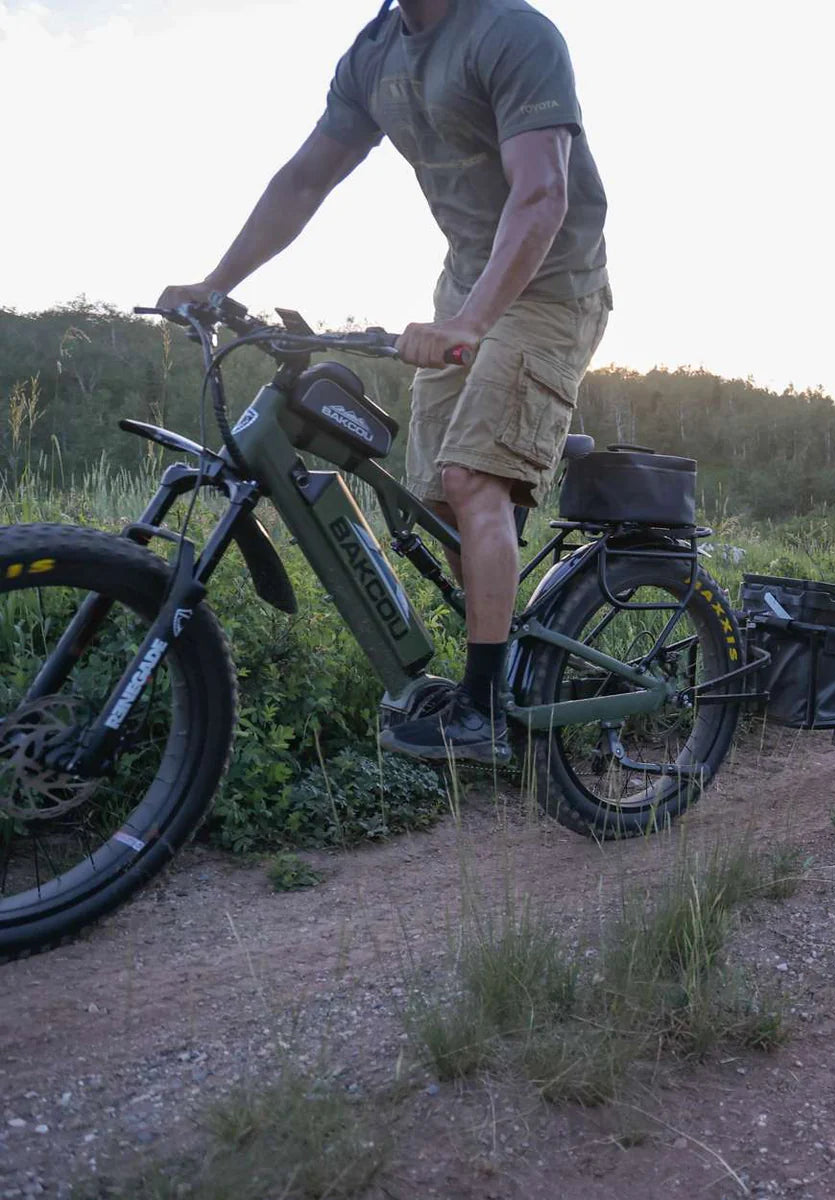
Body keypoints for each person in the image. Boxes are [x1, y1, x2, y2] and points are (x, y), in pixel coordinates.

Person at [157, 0, 610, 766]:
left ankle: (486, 709)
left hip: (550, 290)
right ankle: (500, 662)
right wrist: (215, 281)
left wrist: (470, 322)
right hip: (466, 287)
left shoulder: (514, 34)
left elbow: (543, 194)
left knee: (472, 478)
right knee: (431, 497)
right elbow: (304, 179)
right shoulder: (374, 56)